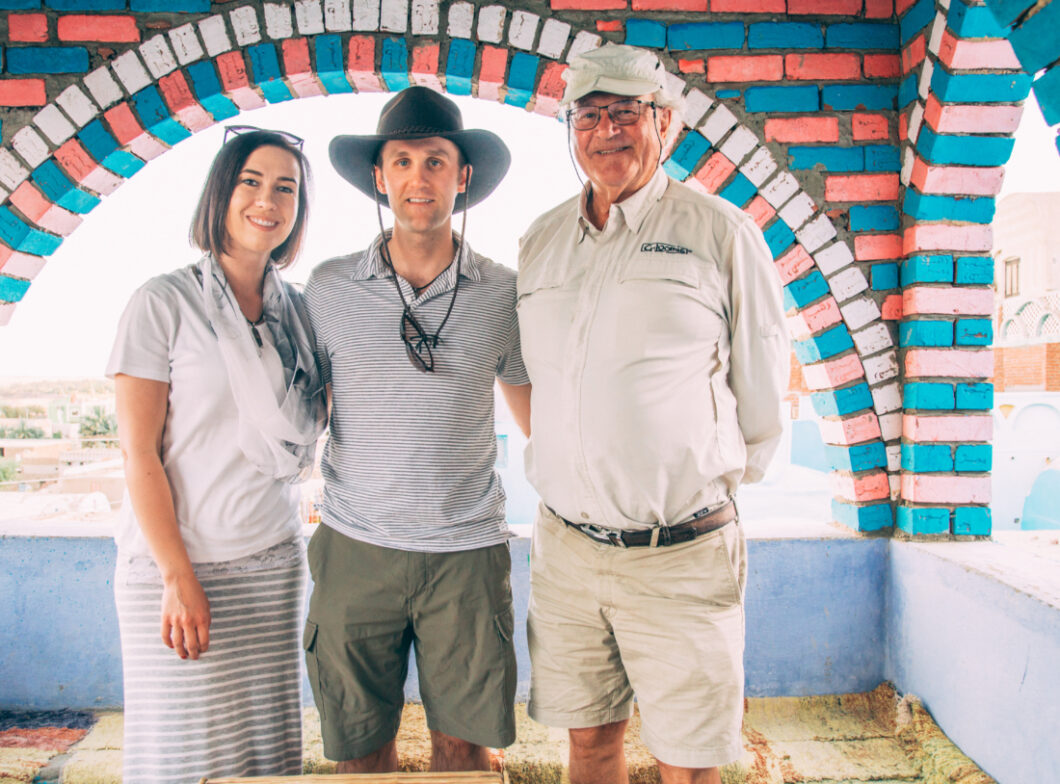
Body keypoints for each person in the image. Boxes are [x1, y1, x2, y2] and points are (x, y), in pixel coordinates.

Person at [517, 44, 788, 784]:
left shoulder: (721, 233)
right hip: (566, 554)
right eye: (589, 115)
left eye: (625, 113)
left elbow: (763, 396)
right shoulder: (540, 241)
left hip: (680, 555)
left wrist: (687, 488)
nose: (606, 131)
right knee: (588, 745)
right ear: (571, 129)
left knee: (689, 764)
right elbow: (537, 381)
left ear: (665, 123)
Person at [303, 86, 531, 773]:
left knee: (465, 754)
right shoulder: (328, 288)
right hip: (354, 550)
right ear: (380, 178)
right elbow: (298, 411)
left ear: (463, 178)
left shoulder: (503, 292)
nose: (418, 178)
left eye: (435, 161)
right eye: (401, 161)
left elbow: (536, 418)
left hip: (466, 555)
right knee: (359, 753)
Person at [108, 126, 326, 784]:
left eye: (285, 187)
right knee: (181, 760)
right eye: (251, 182)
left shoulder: (299, 312)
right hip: (177, 574)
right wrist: (178, 577)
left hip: (271, 565)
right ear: (220, 195)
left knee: (263, 759)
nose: (268, 199)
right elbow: (138, 455)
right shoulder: (162, 303)